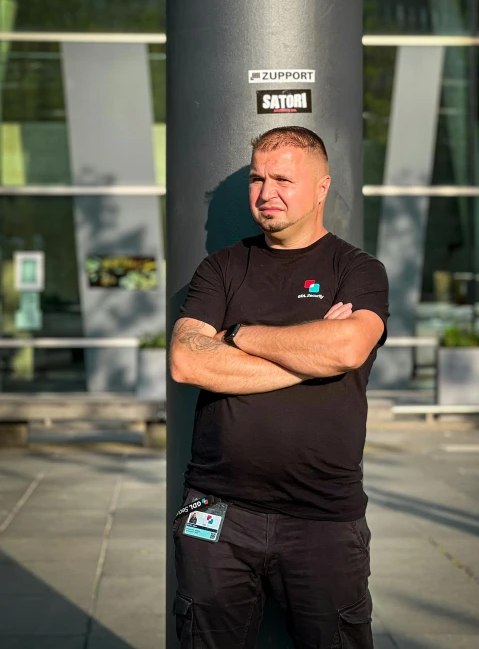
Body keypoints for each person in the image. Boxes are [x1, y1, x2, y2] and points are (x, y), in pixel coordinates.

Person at [170, 126, 389, 649]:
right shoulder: (222, 268)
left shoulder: (356, 270)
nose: (266, 193)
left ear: (321, 188)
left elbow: (347, 349)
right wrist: (309, 358)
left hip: (322, 520)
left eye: (283, 179)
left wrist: (239, 335)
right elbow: (185, 360)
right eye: (256, 178)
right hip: (217, 510)